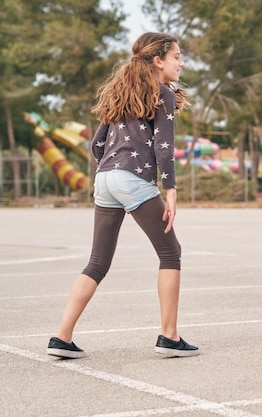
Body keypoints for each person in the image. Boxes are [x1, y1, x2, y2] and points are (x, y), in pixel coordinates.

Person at [47, 32, 199, 358]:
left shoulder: (121, 92)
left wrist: (111, 175)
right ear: (158, 61)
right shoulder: (163, 95)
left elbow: (96, 145)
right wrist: (169, 190)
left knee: (97, 263)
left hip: (104, 178)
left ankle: (62, 336)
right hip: (133, 180)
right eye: (177, 57)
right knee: (171, 254)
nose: (181, 63)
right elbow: (164, 147)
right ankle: (169, 336)